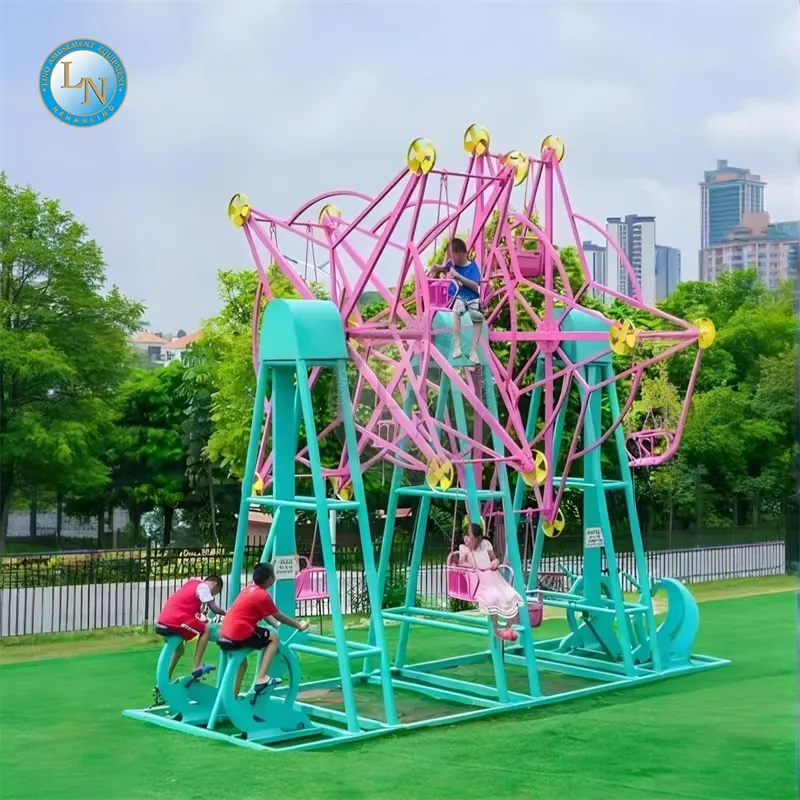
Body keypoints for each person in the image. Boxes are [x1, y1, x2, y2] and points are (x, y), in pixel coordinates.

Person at [218, 562, 310, 698]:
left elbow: (266, 614)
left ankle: (232, 697)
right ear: (269, 579)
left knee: (242, 664)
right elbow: (277, 614)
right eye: (273, 576)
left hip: (225, 632)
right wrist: (298, 625)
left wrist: (276, 625)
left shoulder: (248, 590)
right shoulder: (262, 595)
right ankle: (261, 678)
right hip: (239, 633)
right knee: (274, 638)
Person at [458, 523, 523, 640]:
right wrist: (473, 567)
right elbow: (461, 563)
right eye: (470, 538)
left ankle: (510, 627)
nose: (471, 541)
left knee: (509, 594)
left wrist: (495, 563)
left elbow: (495, 559)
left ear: (479, 538)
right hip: (479, 577)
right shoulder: (465, 549)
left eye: (474, 538)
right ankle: (496, 628)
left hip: (493, 574)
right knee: (492, 597)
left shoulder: (485, 544)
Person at [155, 574, 226, 682]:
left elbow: (189, 603)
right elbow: (213, 608)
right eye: (214, 593)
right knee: (206, 630)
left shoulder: (192, 583)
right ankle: (197, 666)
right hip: (176, 620)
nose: (212, 595)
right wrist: (226, 613)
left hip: (163, 620)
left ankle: (165, 679)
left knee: (179, 650)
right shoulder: (204, 587)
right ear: (215, 584)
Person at [429, 237, 484, 364]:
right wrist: (437, 268)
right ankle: (457, 347)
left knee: (477, 317)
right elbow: (442, 267)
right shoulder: (451, 264)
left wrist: (459, 277)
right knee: (456, 310)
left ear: (460, 253)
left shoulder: (472, 267)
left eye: (451, 256)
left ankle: (473, 350)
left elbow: (476, 287)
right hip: (457, 298)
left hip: (471, 299)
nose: (450, 260)